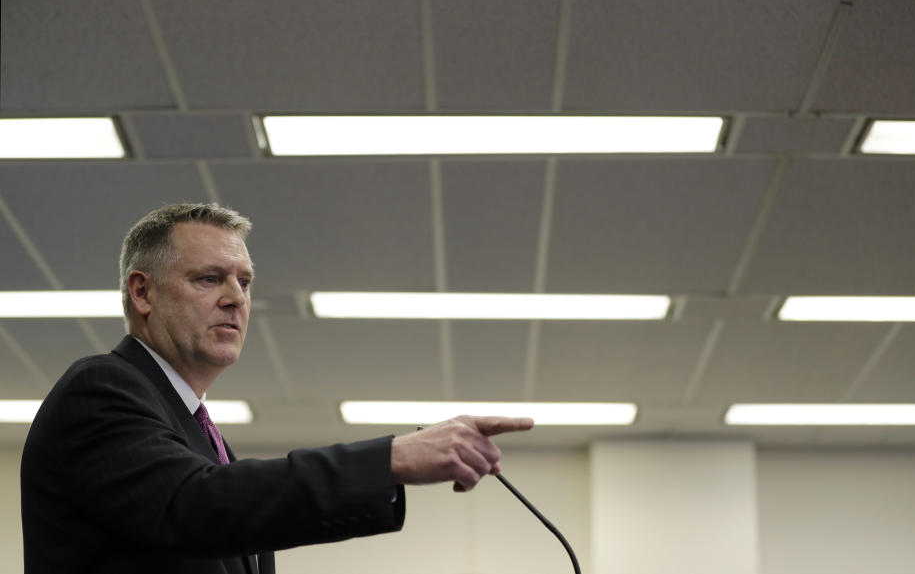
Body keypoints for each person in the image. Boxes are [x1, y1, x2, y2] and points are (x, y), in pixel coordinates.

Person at [20, 203, 533, 574]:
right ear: (142, 291)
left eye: (244, 282)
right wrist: (390, 458)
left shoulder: (201, 436)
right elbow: (195, 506)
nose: (235, 299)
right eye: (209, 279)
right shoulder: (101, 389)